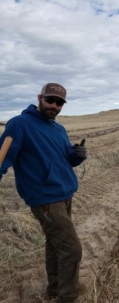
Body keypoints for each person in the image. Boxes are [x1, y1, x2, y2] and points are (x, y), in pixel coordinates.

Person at [0, 83, 87, 303]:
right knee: (72, 249)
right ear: (40, 98)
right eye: (50, 100)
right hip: (45, 200)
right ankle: (68, 296)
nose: (54, 106)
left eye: (59, 103)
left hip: (64, 194)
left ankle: (55, 288)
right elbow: (1, 159)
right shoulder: (19, 125)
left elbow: (67, 158)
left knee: (55, 244)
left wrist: (77, 155)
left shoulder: (58, 128)